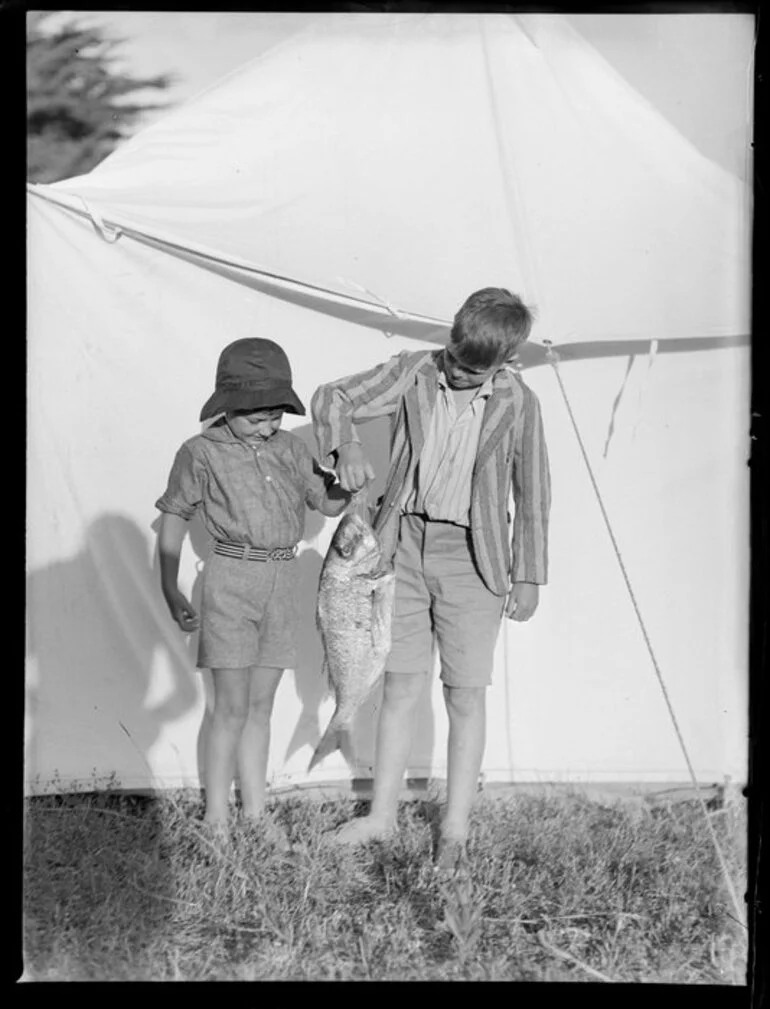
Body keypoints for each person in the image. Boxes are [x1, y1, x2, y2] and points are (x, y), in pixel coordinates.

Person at [311, 287, 551, 869]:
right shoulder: (415, 371)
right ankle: (382, 816)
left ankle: (456, 827)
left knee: (465, 693)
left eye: (477, 370)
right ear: (450, 337)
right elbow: (332, 396)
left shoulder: (520, 402)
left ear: (507, 361)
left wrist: (529, 575)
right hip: (402, 547)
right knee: (398, 685)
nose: (461, 374)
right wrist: (344, 445)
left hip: (476, 558)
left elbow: (533, 489)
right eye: (457, 358)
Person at [156, 338, 352, 840]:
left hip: (283, 581)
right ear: (226, 407)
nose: (267, 426)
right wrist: (170, 585)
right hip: (229, 579)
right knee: (230, 708)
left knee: (261, 707)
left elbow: (326, 505)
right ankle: (216, 816)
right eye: (255, 417)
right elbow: (175, 514)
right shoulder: (198, 453)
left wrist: (350, 479)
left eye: (276, 416)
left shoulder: (291, 448)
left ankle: (256, 814)